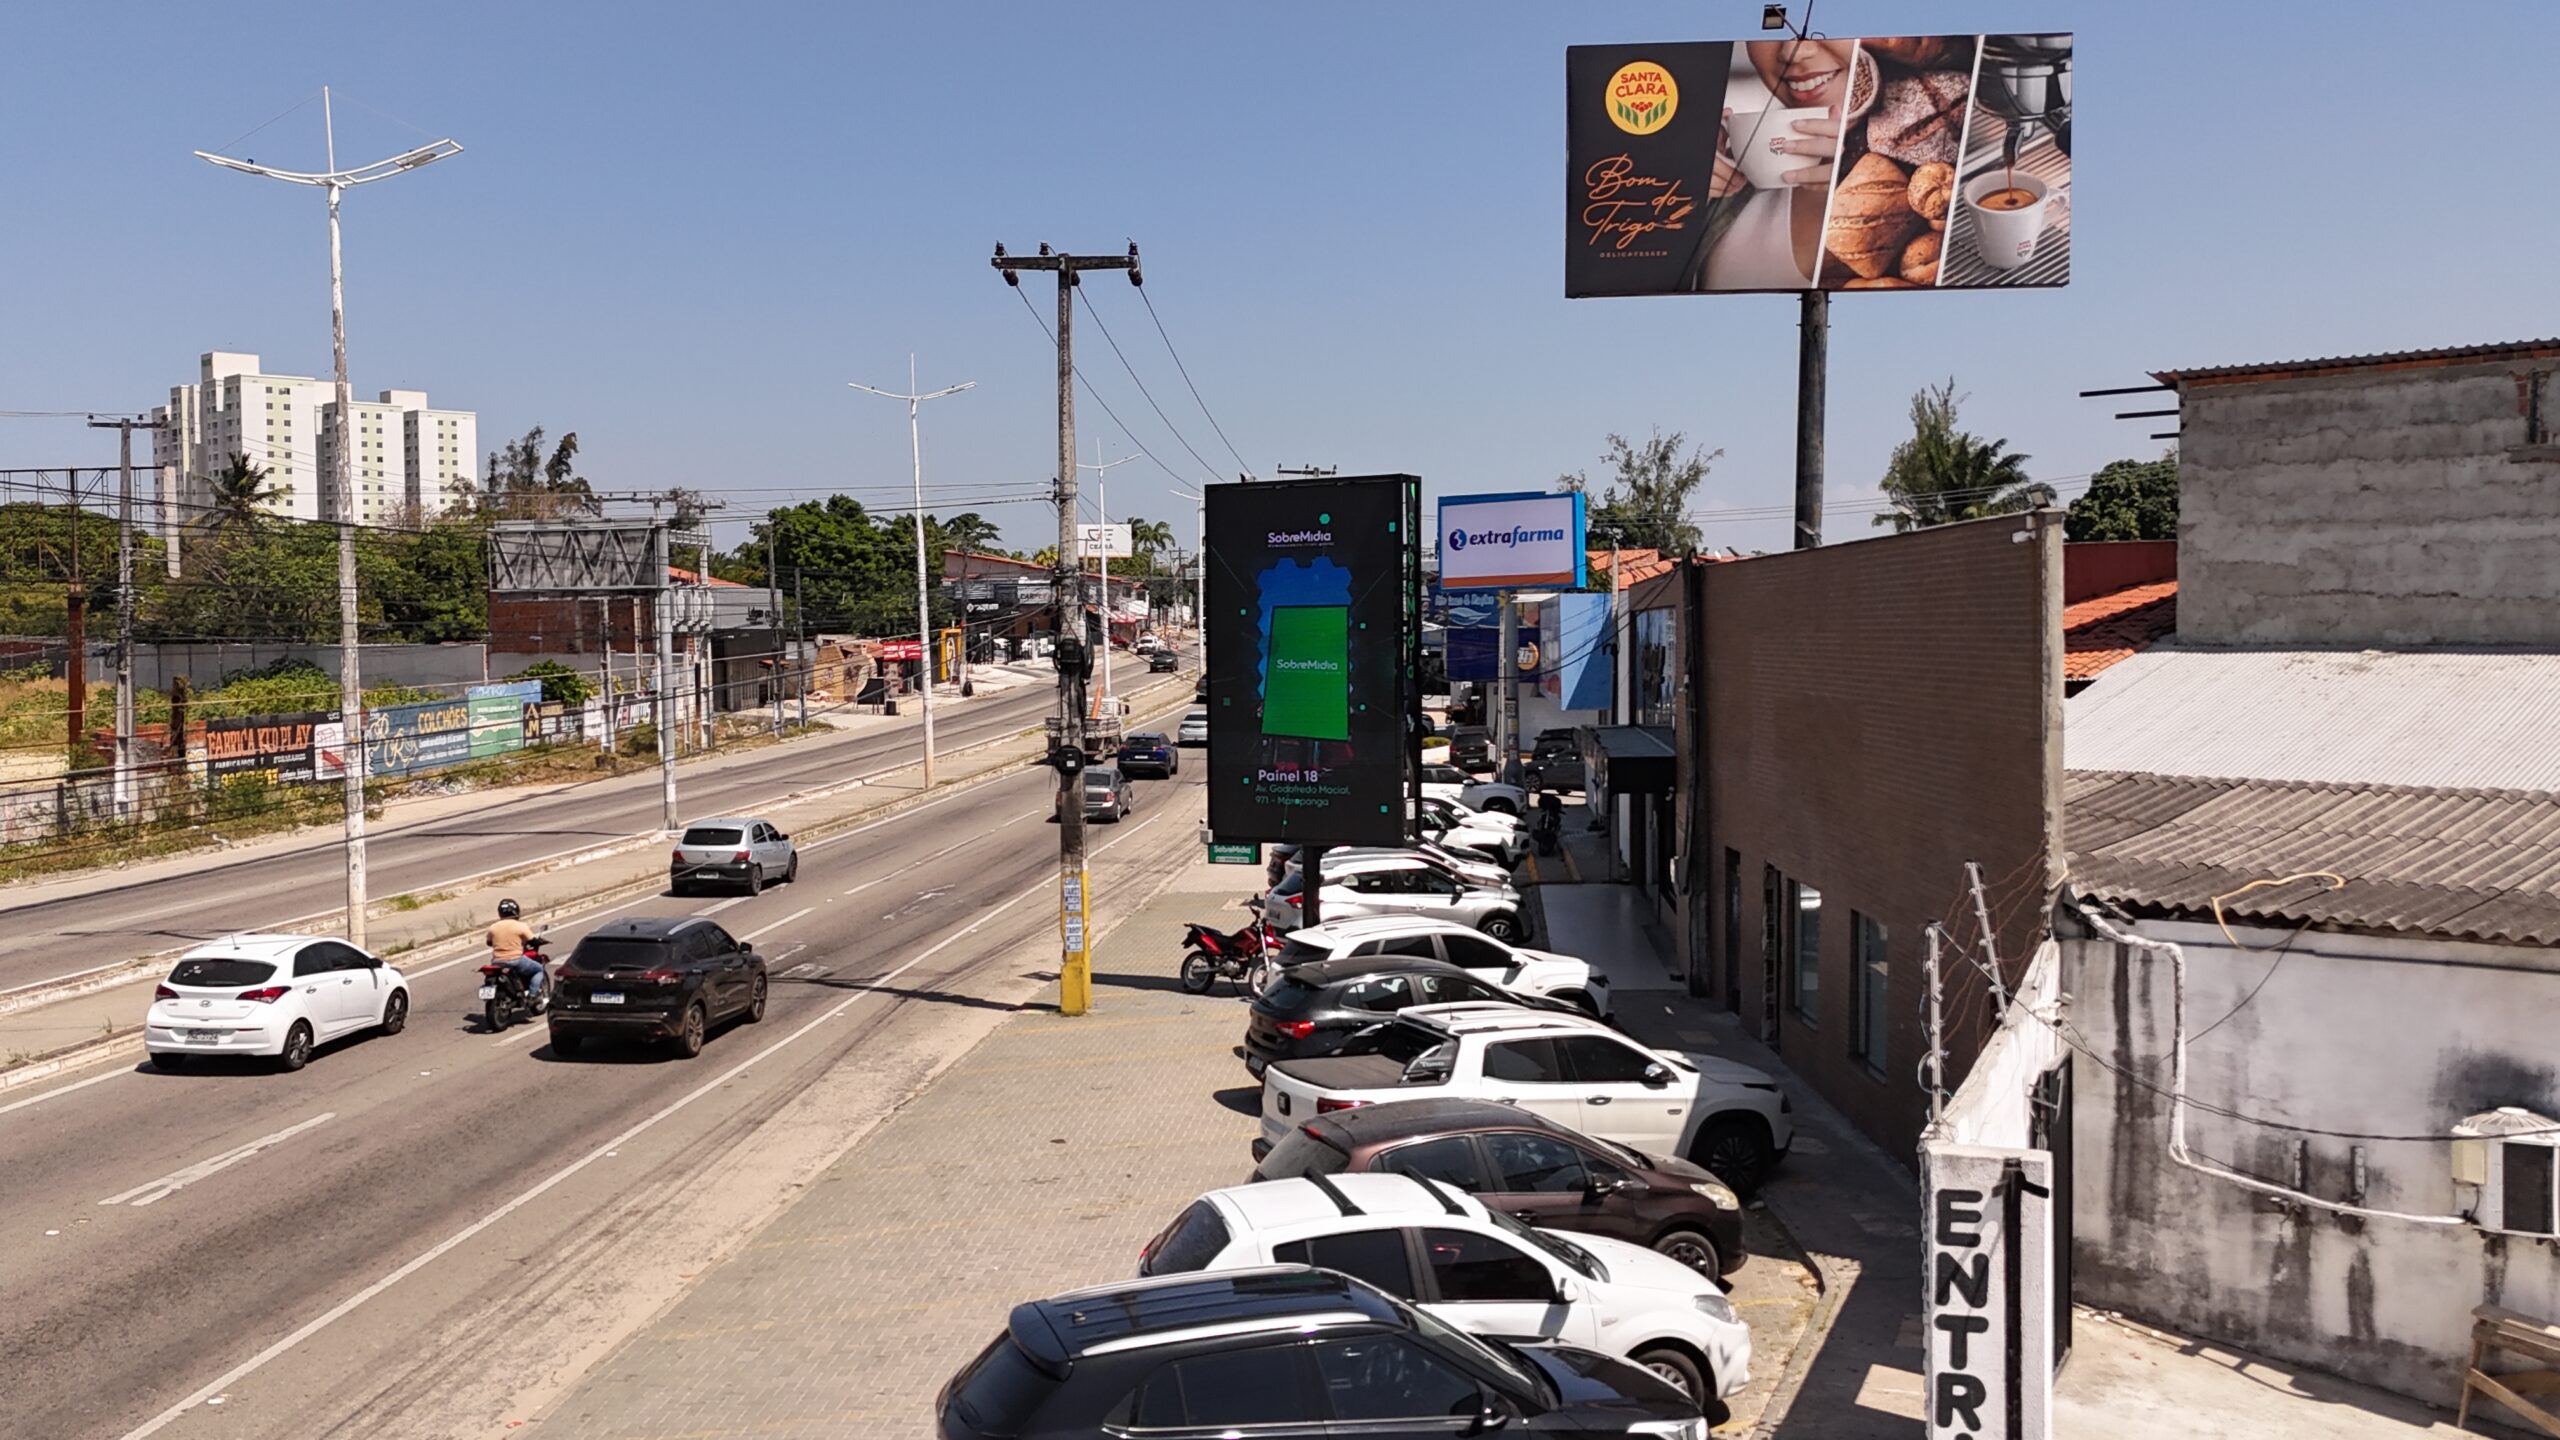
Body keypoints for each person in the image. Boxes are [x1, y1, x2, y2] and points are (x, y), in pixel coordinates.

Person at [487, 898, 546, 1009]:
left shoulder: (493, 927)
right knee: (539, 970)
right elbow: (532, 940)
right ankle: (532, 996)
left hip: (497, 961)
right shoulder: (520, 926)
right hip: (515, 960)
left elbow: (489, 942)